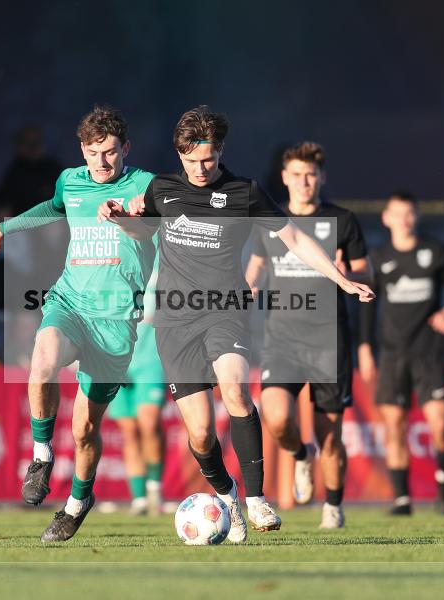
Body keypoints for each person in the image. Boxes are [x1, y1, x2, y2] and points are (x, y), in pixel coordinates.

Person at [100, 106, 374, 542]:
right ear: (180, 154)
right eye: (192, 160)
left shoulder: (245, 192)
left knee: (235, 390)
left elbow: (295, 238)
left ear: (221, 151)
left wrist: (341, 279)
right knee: (201, 433)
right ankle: (227, 498)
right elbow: (143, 232)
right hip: (175, 321)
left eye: (208, 159)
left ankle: (256, 498)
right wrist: (122, 220)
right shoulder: (162, 189)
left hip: (225, 312)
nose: (200, 168)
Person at [0, 106, 155, 542]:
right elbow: (53, 207)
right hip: (70, 301)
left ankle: (78, 503)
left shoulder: (145, 185)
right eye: (93, 152)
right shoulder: (70, 180)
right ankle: (41, 456)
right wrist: (5, 228)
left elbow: (148, 231)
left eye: (110, 152)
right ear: (82, 150)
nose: (101, 161)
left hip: (116, 321)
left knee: (85, 430)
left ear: (126, 148)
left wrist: (126, 219)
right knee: (42, 361)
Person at [244, 141, 369, 529]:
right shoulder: (272, 221)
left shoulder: (342, 220)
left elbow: (365, 273)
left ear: (322, 177)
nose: (304, 182)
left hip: (329, 340)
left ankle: (333, 506)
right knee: (276, 418)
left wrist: (349, 273)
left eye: (311, 175)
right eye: (296, 175)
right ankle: (301, 454)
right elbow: (256, 268)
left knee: (329, 434)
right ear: (284, 177)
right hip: (282, 339)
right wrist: (245, 290)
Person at [358, 191, 444, 516]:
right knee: (395, 427)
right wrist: (365, 346)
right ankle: (402, 499)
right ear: (386, 218)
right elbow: (368, 304)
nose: (403, 220)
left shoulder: (435, 251)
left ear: (416, 217)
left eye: (409, 214)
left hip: (428, 352)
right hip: (393, 353)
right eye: (397, 214)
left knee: (439, 425)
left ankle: (443, 481)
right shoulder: (379, 257)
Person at [106, 249, 166, 516]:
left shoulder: (161, 255)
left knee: (149, 422)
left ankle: (155, 489)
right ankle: (139, 498)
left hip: (150, 356)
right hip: (116, 357)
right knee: (129, 429)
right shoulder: (111, 259)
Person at [0, 125, 64, 216]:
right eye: (27, 143)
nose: (32, 147)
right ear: (19, 146)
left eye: (36, 142)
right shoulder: (13, 175)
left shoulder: (55, 170)